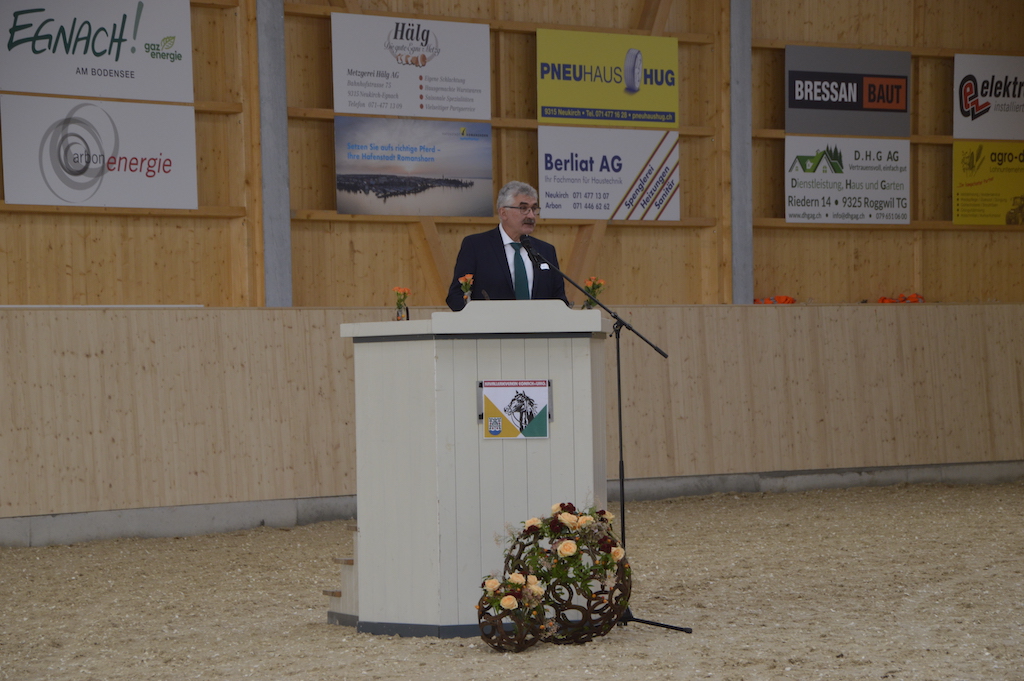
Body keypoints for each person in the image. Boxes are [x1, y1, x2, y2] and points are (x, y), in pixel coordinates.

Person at [446, 181, 569, 311]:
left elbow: (559, 299)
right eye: (523, 208)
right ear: (503, 213)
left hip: (538, 323)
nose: (531, 215)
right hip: (490, 323)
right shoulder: (476, 246)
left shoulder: (546, 251)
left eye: (534, 209)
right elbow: (456, 296)